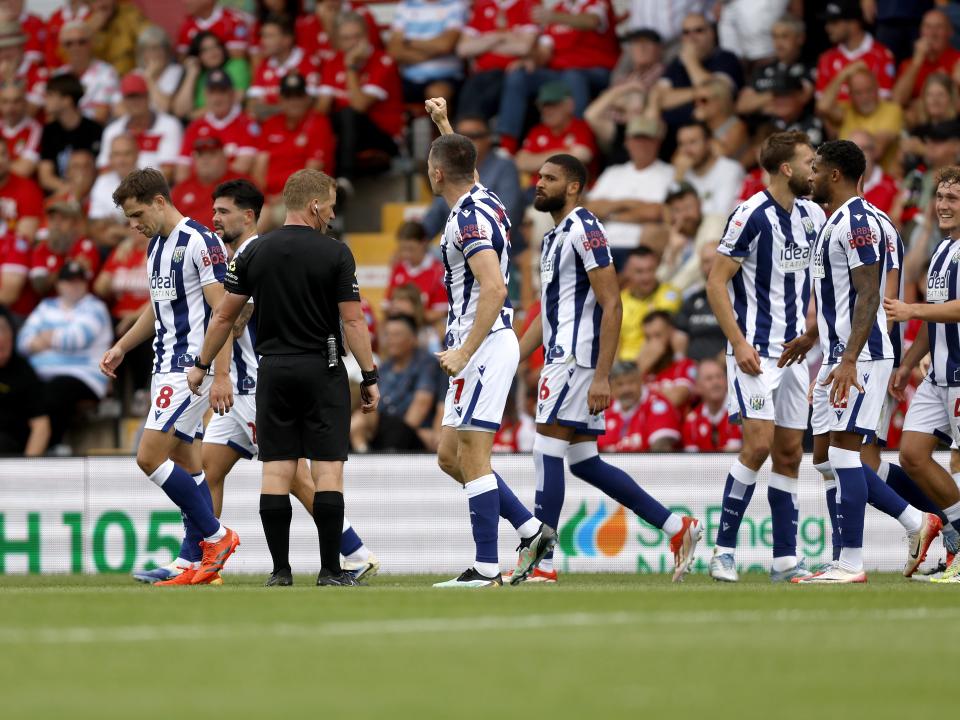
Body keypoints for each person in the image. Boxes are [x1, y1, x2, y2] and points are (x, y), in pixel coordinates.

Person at [140, 178, 379, 585]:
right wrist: (370, 374)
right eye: (213, 211)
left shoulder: (252, 254)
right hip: (287, 375)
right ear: (317, 206)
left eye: (223, 212)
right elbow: (351, 319)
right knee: (219, 470)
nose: (214, 220)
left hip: (258, 382)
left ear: (249, 216)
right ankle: (200, 560)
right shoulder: (326, 252)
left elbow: (226, 316)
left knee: (287, 476)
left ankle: (340, 556)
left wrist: (208, 368)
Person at [516, 152, 701, 584]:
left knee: (546, 454)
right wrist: (513, 359)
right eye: (539, 176)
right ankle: (678, 528)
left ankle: (542, 562)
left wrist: (602, 374)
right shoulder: (551, 238)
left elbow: (611, 302)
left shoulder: (585, 227)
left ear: (575, 186)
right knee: (583, 462)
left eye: (550, 178)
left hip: (576, 360)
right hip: (560, 356)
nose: (539, 183)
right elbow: (547, 315)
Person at [423, 96, 554, 588]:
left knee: (474, 457)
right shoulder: (486, 195)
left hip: (481, 343)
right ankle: (530, 530)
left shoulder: (467, 220)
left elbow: (496, 287)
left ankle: (483, 568)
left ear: (436, 176)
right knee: (449, 457)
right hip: (476, 344)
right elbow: (460, 159)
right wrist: (443, 124)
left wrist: (463, 351)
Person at [99, 168, 240, 586]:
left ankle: (217, 537)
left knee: (149, 456)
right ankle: (193, 562)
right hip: (165, 366)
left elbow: (224, 313)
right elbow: (159, 306)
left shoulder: (199, 240)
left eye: (138, 214)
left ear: (161, 202)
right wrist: (123, 345)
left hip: (189, 370)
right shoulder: (155, 245)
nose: (133, 225)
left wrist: (220, 375)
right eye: (128, 218)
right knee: (185, 458)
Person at [796, 139, 928, 584]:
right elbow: (845, 296)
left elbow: (869, 292)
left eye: (815, 168)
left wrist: (851, 357)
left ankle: (854, 559)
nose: (809, 175)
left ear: (835, 175)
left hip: (862, 355)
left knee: (843, 454)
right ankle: (911, 523)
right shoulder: (849, 221)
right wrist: (814, 336)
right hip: (840, 353)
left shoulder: (857, 223)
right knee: (823, 458)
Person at [705, 131, 824, 584]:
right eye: (809, 163)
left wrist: (813, 333)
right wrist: (737, 343)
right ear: (786, 169)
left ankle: (784, 560)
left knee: (791, 453)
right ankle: (723, 552)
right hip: (755, 352)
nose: (815, 171)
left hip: (796, 354)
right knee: (758, 445)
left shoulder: (813, 214)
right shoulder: (749, 215)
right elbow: (716, 282)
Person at [885, 166, 960, 584]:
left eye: (953, 199)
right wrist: (909, 363)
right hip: (937, 377)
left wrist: (911, 310)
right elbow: (937, 321)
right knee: (912, 455)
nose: (943, 206)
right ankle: (958, 543)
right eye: (941, 198)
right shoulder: (943, 251)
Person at [17, 261, 112, 448]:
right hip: (40, 374)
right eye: (69, 281)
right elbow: (22, 341)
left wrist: (44, 338)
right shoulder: (46, 306)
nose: (74, 286)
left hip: (84, 376)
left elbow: (76, 339)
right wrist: (55, 338)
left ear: (86, 283)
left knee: (56, 390)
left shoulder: (95, 307)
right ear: (59, 284)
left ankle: (53, 446)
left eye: (79, 281)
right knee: (18, 387)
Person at [317, 11, 404, 183]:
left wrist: (351, 67)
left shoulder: (383, 61)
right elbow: (321, 108)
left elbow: (359, 106)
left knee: (348, 113)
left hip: (382, 137)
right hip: (346, 135)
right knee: (320, 122)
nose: (352, 43)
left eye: (357, 36)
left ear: (367, 35)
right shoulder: (333, 61)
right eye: (346, 38)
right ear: (338, 40)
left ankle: (344, 180)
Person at [350, 313, 440, 452]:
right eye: (387, 335)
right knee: (357, 422)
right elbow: (369, 406)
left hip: (411, 433)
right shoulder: (384, 367)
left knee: (360, 422)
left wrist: (400, 433)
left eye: (397, 335)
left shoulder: (426, 364)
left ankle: (364, 454)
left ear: (413, 339)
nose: (390, 340)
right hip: (380, 429)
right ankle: (363, 453)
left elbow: (422, 403)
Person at [584, 116, 672, 258]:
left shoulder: (669, 173)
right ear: (627, 142)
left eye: (647, 139)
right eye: (637, 139)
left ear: (657, 143)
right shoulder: (613, 172)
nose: (641, 144)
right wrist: (628, 203)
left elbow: (656, 212)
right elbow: (589, 209)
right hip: (604, 247)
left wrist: (610, 214)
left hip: (642, 250)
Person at [421, 114, 521, 236]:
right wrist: (415, 238)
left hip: (488, 240)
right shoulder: (449, 166)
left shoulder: (504, 167)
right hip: (454, 241)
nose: (466, 141)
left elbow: (505, 214)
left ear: (488, 138)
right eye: (461, 136)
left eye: (474, 136)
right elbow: (432, 218)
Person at [253, 72, 335, 217]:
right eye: (289, 97)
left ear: (307, 98)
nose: (294, 101)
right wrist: (264, 197)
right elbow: (259, 167)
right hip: (267, 200)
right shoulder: (271, 124)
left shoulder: (318, 123)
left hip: (301, 200)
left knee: (262, 218)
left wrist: (281, 198)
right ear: (280, 100)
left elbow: (311, 173)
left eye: (298, 96)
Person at [454, 0, 538, 120]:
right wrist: (501, 37)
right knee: (467, 96)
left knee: (480, 101)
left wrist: (484, 42)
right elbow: (463, 49)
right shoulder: (483, 6)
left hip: (511, 74)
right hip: (481, 75)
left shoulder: (527, 5)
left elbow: (523, 48)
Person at [96, 71, 183, 179]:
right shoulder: (112, 130)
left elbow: (167, 172)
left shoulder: (169, 125)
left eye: (139, 96)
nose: (134, 102)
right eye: (130, 97)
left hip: (155, 192)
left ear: (147, 96)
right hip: (117, 188)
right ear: (123, 100)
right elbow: (104, 170)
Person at [177, 69, 258, 182]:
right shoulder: (194, 127)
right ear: (205, 95)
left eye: (222, 92)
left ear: (232, 94)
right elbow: (182, 172)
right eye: (212, 92)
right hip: (200, 190)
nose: (217, 98)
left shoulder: (247, 124)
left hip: (232, 190)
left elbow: (243, 166)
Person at [815, 0, 896, 104]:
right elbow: (821, 106)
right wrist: (844, 74)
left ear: (853, 23)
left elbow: (885, 101)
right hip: (837, 119)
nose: (827, 28)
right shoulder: (826, 58)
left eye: (834, 22)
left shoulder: (882, 55)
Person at [515, 81, 597, 182]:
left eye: (553, 104)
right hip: (535, 192)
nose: (546, 110)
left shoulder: (581, 127)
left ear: (569, 105)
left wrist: (536, 160)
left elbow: (582, 156)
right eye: (543, 105)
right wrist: (563, 153)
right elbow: (521, 162)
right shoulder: (537, 131)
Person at [387, 0, 464, 104]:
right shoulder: (406, 5)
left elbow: (445, 45)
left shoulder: (455, 4)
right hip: (409, 79)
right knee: (379, 90)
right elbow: (394, 51)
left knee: (437, 96)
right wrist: (435, 49)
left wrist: (408, 42)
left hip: (447, 77)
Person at [38, 73, 102, 197]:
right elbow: (45, 176)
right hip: (61, 194)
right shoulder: (49, 131)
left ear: (67, 100)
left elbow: (98, 172)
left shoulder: (94, 129)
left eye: (50, 95)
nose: (45, 100)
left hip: (90, 195)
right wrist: (69, 191)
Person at [247, 15, 322, 120]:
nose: (263, 41)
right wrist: (286, 110)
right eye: (263, 36)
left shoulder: (309, 63)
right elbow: (252, 107)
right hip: (270, 131)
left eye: (269, 36)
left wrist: (268, 110)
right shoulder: (264, 64)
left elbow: (307, 106)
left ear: (287, 39)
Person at [597, 360, 682, 453]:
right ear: (610, 388)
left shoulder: (657, 405)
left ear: (641, 381)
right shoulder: (604, 410)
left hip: (645, 466)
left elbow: (661, 447)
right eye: (619, 384)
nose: (626, 389)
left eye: (631, 382)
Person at [616, 246, 681, 362]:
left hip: (655, 364)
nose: (646, 277)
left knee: (656, 334)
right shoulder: (619, 300)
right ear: (627, 272)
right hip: (622, 364)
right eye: (639, 271)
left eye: (650, 270)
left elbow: (660, 334)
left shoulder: (669, 294)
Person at [171, 31, 251, 121]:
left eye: (216, 46)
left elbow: (234, 101)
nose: (213, 52)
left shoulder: (236, 65)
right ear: (198, 55)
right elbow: (180, 111)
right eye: (205, 50)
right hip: (201, 127)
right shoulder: (198, 74)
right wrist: (191, 74)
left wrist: (193, 116)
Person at [0, 306, 48, 455]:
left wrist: (27, 469)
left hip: (12, 452)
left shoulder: (23, 371)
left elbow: (41, 426)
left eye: (3, 330)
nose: (0, 338)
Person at [53, 20, 119, 125]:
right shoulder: (58, 76)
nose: (76, 47)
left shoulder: (106, 73)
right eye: (69, 43)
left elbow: (100, 116)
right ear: (63, 47)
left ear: (91, 44)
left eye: (81, 42)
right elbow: (52, 116)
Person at [171, 135, 245, 230]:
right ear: (194, 159)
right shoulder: (181, 189)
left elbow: (263, 212)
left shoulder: (240, 183)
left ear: (224, 156)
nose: (205, 160)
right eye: (201, 155)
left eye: (212, 154)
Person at [673, 120, 744, 217]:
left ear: (709, 143)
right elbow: (669, 215)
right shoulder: (681, 174)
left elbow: (721, 214)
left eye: (693, 142)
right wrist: (678, 178)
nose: (687, 150)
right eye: (682, 144)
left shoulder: (729, 169)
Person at [383, 220, 446, 325]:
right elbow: (386, 307)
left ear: (423, 243)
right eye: (403, 249)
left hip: (426, 329)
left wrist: (410, 313)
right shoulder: (398, 268)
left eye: (411, 249)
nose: (406, 254)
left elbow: (441, 313)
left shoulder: (438, 271)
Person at [892, 8, 959, 106]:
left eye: (939, 27)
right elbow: (896, 101)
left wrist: (955, 83)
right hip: (918, 120)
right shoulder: (909, 64)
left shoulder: (958, 60)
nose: (933, 33)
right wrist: (916, 62)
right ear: (921, 32)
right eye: (928, 27)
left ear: (950, 32)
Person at [673, 240, 725, 361]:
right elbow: (680, 333)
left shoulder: (741, 300)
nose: (711, 266)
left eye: (715, 260)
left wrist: (717, 365)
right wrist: (681, 361)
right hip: (693, 370)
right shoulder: (693, 299)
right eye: (706, 261)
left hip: (727, 368)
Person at [682, 357, 741, 452]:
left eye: (719, 377)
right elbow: (692, 462)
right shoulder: (691, 422)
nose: (715, 382)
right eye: (709, 378)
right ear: (698, 387)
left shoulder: (740, 412)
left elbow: (734, 454)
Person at [87, 0, 149, 76]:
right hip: (100, 83)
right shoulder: (86, 26)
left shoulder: (129, 14)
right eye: (95, 1)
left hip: (130, 79)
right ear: (88, 5)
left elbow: (150, 37)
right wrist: (90, 33)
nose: (101, 4)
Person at [176, 0, 254, 59]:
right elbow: (182, 58)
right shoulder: (186, 25)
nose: (185, 2)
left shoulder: (233, 20)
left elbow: (239, 55)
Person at [0, 132, 41, 243]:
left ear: (10, 157)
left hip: (12, 256)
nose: (0, 160)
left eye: (3, 154)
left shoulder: (28, 189)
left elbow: (24, 240)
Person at [89, 133, 138, 222]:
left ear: (137, 155)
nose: (122, 160)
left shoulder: (151, 179)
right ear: (110, 158)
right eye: (117, 154)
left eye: (127, 154)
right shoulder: (102, 182)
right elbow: (95, 221)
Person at [0, 80, 41, 178]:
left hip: (21, 189)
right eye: (5, 101)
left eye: (16, 101)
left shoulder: (34, 129)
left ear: (25, 103)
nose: (11, 107)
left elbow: (25, 170)